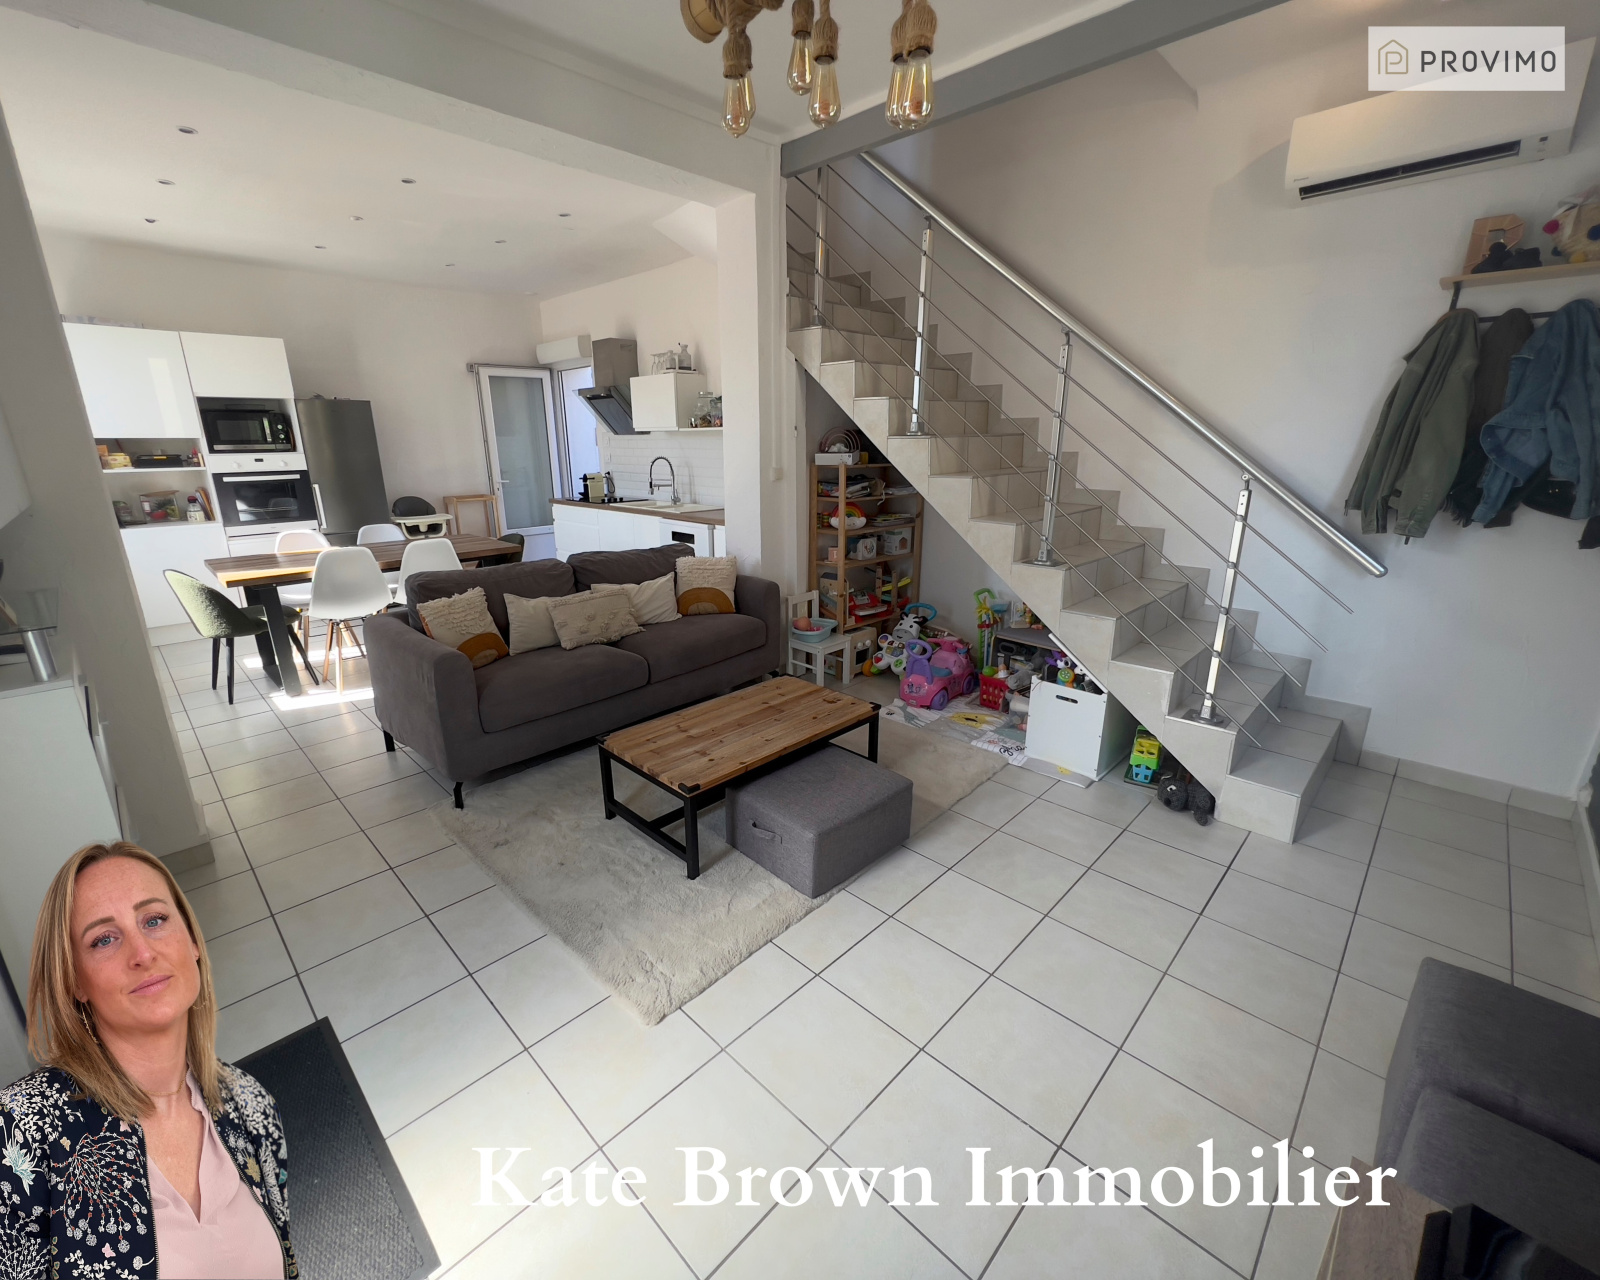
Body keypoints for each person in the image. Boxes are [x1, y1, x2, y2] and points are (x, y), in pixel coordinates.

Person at [0, 842, 296, 1279]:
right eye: (104, 939)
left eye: (154, 920)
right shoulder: (18, 1132)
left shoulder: (252, 1106)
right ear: (75, 981)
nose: (142, 953)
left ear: (192, 941)